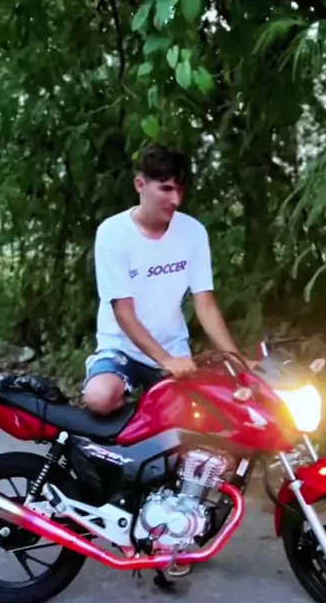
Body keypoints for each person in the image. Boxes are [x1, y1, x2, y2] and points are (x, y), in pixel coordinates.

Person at [83, 143, 247, 414]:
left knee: (193, 420)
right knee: (99, 398)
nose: (176, 200)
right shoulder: (112, 233)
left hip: (174, 348)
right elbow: (123, 312)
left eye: (180, 190)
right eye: (166, 189)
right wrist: (165, 360)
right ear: (140, 185)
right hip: (121, 348)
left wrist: (237, 361)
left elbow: (205, 305)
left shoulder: (193, 232)